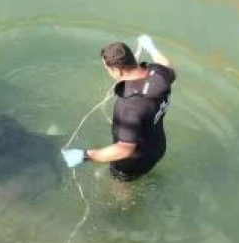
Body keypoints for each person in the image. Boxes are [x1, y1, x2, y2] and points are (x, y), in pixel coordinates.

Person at [61, 35, 176, 181]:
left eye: (108, 69)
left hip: (132, 163)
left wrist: (84, 155)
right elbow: (166, 64)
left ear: (118, 70)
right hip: (158, 146)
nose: (108, 72)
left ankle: (123, 197)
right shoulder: (159, 76)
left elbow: (124, 150)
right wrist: (150, 47)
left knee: (120, 190)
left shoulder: (129, 107)